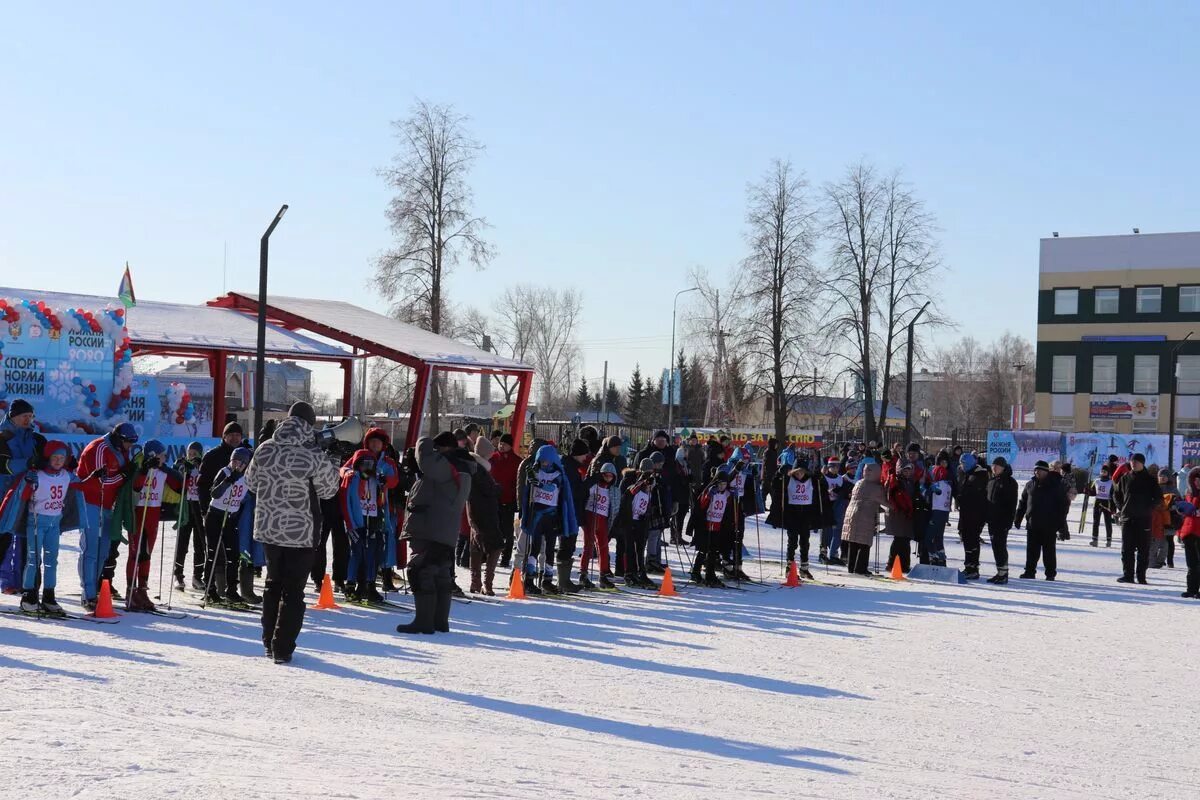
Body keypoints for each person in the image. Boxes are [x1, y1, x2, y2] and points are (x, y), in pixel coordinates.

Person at [244, 402, 341, 662]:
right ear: (309, 424)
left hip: (269, 529)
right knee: (294, 591)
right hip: (302, 532)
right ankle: (282, 648)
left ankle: (268, 643)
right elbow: (329, 490)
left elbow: (251, 483)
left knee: (273, 584)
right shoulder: (313, 454)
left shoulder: (265, 449)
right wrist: (334, 460)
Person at [396, 431, 473, 635]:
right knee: (440, 574)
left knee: (421, 571)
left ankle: (424, 622)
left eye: (437, 449)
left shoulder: (446, 466)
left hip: (431, 528)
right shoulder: (461, 466)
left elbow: (427, 461)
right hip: (444, 530)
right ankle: (439, 621)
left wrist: (423, 440)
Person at [2, 440, 91, 615]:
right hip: (36, 522)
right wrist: (29, 483)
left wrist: (95, 475)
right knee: (33, 560)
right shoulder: (38, 474)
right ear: (47, 458)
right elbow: (24, 496)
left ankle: (49, 596)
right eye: (55, 457)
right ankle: (29, 596)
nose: (58, 461)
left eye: (61, 458)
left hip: (54, 523)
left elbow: (83, 485)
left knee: (52, 561)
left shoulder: (66, 475)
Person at [75, 422, 138, 611]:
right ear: (119, 438)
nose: (129, 446)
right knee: (90, 549)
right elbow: (103, 482)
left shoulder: (122, 449)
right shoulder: (99, 448)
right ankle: (88, 594)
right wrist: (123, 475)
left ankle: (94, 589)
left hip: (107, 505)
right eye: (128, 442)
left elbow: (121, 478)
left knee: (104, 551)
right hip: (90, 502)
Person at [124, 439, 183, 611]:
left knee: (146, 554)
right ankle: (131, 591)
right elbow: (135, 486)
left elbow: (180, 486)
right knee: (135, 553)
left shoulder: (163, 471)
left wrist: (178, 470)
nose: (165, 457)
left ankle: (142, 590)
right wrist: (144, 469)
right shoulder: (139, 468)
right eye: (162, 455)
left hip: (153, 513)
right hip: (139, 512)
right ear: (153, 455)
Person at [0, 399, 46, 594]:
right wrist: (29, 462)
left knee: (25, 538)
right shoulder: (3, 436)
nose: (28, 419)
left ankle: (23, 582)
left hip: (27, 493)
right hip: (4, 494)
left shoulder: (35, 439)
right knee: (4, 539)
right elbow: (4, 466)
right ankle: (6, 581)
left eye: (30, 416)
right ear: (13, 416)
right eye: (24, 416)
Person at [518, 443, 576, 594]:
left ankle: (547, 580)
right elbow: (527, 490)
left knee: (550, 549)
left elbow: (552, 488)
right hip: (537, 515)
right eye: (542, 461)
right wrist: (530, 477)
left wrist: (537, 483)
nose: (544, 464)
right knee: (534, 548)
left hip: (551, 516)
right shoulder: (535, 471)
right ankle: (529, 579)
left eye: (547, 461)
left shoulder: (558, 474)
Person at [204, 447, 253, 605]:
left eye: (239, 462)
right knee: (213, 553)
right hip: (216, 515)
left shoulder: (247, 477)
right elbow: (214, 493)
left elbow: (250, 494)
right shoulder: (225, 472)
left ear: (246, 464)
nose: (236, 465)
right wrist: (228, 481)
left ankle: (231, 590)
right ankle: (209, 589)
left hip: (231, 518)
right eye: (234, 461)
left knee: (233, 556)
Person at [339, 448, 389, 604]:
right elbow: (345, 502)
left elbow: (382, 502)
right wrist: (350, 524)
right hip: (357, 522)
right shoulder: (352, 478)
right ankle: (350, 585)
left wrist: (383, 485)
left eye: (371, 464)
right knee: (357, 553)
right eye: (364, 464)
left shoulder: (376, 479)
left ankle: (368, 585)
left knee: (372, 555)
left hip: (373, 520)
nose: (367, 467)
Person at [1112, 452, 1162, 585]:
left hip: (1144, 519)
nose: (1133, 463)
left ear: (1142, 463)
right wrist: (1121, 507)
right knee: (1126, 549)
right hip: (1127, 518)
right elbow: (1116, 494)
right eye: (1132, 461)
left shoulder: (1150, 480)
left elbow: (1158, 497)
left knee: (1143, 549)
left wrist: (1148, 507)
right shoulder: (1125, 478)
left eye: (1136, 462)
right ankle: (1128, 575)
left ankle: (1141, 576)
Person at [1014, 460, 1069, 581]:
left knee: (1048, 551)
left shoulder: (1055, 485)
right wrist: (1018, 518)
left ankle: (1050, 574)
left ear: (1045, 471)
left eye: (1039, 470)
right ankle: (1029, 571)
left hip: (1049, 524)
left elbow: (1063, 505)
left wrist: (1060, 523)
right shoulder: (1030, 484)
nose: (1036, 472)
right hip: (1032, 523)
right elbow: (1023, 502)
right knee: (1031, 551)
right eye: (1035, 470)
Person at [688, 468, 736, 587]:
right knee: (703, 550)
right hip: (706, 525)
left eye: (724, 484)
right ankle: (696, 571)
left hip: (718, 525)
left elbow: (729, 508)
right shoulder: (710, 491)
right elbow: (702, 505)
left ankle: (710, 573)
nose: (722, 486)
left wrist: (734, 497)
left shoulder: (727, 494)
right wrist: (709, 496)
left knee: (713, 552)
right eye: (720, 484)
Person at [616, 458, 659, 589]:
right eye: (645, 472)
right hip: (628, 519)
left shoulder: (650, 482)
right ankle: (629, 573)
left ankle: (640, 572)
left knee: (640, 547)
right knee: (629, 548)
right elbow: (625, 495)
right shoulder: (629, 479)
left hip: (641, 518)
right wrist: (640, 483)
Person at [467, 441, 502, 596]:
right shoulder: (479, 470)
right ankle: (487, 584)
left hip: (474, 511)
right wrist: (497, 488)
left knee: (476, 547)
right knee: (496, 546)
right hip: (484, 512)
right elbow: (487, 490)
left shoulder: (473, 467)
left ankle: (476, 582)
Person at [842, 462, 887, 575]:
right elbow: (884, 502)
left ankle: (851, 567)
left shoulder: (858, 482)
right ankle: (861, 568)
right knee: (864, 543)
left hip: (851, 514)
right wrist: (893, 508)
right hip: (865, 516)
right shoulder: (875, 487)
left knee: (853, 541)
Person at [172, 442, 206, 591]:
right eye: (190, 453)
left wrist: (200, 467)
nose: (192, 456)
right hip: (185, 507)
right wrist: (178, 467)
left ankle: (197, 576)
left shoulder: (203, 466)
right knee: (182, 543)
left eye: (195, 453)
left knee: (200, 543)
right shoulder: (183, 466)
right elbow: (174, 481)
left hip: (198, 508)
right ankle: (178, 575)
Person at [556, 439, 589, 592]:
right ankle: (563, 581)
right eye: (583, 454)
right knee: (566, 544)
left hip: (571, 511)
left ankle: (564, 580)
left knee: (569, 545)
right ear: (577, 454)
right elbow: (575, 492)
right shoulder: (569, 467)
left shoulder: (572, 466)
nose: (585, 457)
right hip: (568, 512)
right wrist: (589, 483)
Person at [580, 462, 619, 589]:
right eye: (605, 475)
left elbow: (614, 507)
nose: (608, 478)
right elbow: (584, 490)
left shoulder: (613, 490)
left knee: (603, 547)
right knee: (589, 547)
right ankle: (583, 574)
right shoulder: (595, 486)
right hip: (591, 516)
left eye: (610, 476)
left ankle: (603, 575)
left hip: (603, 519)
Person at [985, 456, 1019, 584]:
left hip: (1002, 520)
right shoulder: (992, 481)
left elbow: (1012, 504)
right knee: (995, 546)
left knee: (1000, 546)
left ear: (1003, 468)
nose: (994, 468)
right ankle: (999, 571)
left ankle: (1004, 573)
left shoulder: (1009, 482)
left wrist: (1008, 522)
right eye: (993, 466)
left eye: (997, 466)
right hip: (992, 519)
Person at [489, 434, 521, 568]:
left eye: (505, 444)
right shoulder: (493, 458)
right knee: (493, 529)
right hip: (493, 499)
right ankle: (491, 555)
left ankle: (505, 557)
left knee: (507, 531)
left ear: (510, 446)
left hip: (508, 500)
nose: (501, 446)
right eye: (500, 443)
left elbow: (518, 481)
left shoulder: (516, 461)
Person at [956, 452, 990, 580]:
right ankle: (969, 565)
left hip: (976, 514)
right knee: (966, 538)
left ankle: (973, 567)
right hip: (966, 512)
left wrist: (963, 497)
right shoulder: (968, 474)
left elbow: (975, 494)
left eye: (963, 464)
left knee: (972, 539)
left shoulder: (979, 475)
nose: (961, 466)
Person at [884, 461, 918, 574]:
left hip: (907, 514)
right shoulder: (895, 481)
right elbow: (889, 495)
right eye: (905, 470)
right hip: (898, 514)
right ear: (900, 470)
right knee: (899, 539)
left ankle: (904, 564)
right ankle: (892, 563)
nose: (907, 472)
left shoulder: (910, 482)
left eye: (909, 470)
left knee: (905, 539)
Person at [820, 458, 852, 566]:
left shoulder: (840, 478)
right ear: (829, 467)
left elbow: (848, 489)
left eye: (837, 467)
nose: (835, 469)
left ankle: (834, 554)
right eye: (833, 466)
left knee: (837, 530)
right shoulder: (823, 477)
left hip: (837, 505)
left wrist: (841, 491)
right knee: (826, 530)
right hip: (826, 506)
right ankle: (823, 552)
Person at [925, 461, 953, 567]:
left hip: (937, 513)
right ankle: (942, 559)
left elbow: (930, 493)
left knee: (928, 538)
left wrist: (926, 490)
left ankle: (934, 557)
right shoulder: (948, 485)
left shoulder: (937, 484)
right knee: (938, 538)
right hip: (945, 513)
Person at [1178, 467, 1200, 598]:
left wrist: (1197, 512)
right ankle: (1191, 589)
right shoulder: (1189, 493)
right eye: (1195, 479)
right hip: (1189, 531)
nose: (1197, 482)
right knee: (1191, 563)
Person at [1087, 463, 1115, 548]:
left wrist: (1113, 507)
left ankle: (1109, 540)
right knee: (1096, 522)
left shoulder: (1111, 482)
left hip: (1107, 503)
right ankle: (1095, 540)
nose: (1103, 473)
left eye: (1105, 472)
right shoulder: (1096, 481)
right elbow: (1093, 492)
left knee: (1108, 523)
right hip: (1097, 502)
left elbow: (1114, 495)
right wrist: (1087, 491)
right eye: (1102, 471)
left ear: (1108, 473)